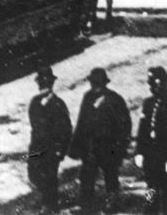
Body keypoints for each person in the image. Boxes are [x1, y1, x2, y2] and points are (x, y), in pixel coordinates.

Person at [68, 67, 132, 211]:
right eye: (93, 83)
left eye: (97, 83)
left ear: (104, 83)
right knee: (87, 177)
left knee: (110, 175)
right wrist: (75, 147)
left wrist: (121, 146)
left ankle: (112, 202)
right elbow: (81, 122)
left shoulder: (114, 99)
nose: (95, 86)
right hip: (91, 147)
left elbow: (125, 124)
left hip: (108, 146)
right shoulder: (88, 97)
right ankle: (86, 204)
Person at [28, 66, 72, 212]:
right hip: (36, 147)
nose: (43, 87)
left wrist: (62, 150)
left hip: (52, 148)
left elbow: (66, 130)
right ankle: (46, 197)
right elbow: (33, 124)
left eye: (46, 84)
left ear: (51, 85)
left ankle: (51, 205)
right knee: (33, 174)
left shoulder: (58, 104)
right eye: (41, 83)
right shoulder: (34, 102)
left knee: (50, 176)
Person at [137, 67, 167, 213]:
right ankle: (150, 211)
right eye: (150, 83)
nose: (152, 86)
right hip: (151, 155)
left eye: (155, 81)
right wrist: (139, 152)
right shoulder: (148, 103)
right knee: (151, 187)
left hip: (164, 155)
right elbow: (142, 129)